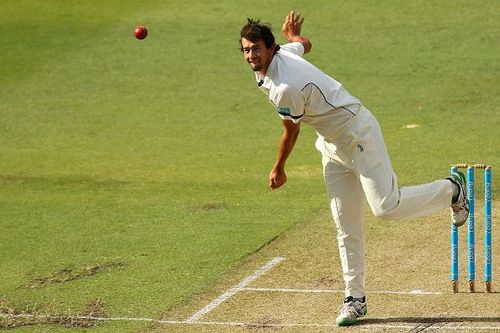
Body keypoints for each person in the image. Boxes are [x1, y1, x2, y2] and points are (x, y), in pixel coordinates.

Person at [239, 11, 469, 326]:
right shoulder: (282, 55)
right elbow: (304, 45)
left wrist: (278, 168)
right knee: (345, 225)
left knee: (387, 207)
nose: (251, 56)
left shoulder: (284, 87)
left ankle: (452, 190)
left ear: (270, 48)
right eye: (246, 50)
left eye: (256, 49)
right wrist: (295, 37)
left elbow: (291, 132)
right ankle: (355, 299)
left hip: (358, 134)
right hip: (332, 145)